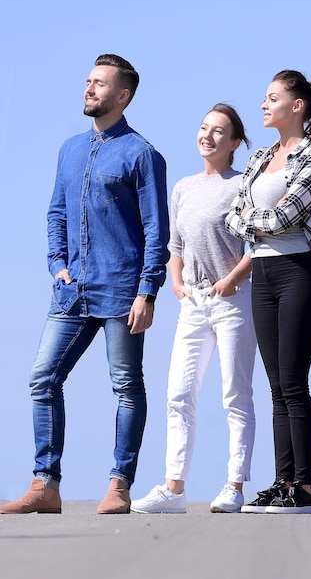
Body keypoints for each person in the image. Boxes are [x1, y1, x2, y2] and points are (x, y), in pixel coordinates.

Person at [0, 54, 170, 515]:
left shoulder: (142, 154)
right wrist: (57, 264)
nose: (89, 89)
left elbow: (157, 231)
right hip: (71, 291)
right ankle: (45, 484)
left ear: (123, 95)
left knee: (126, 386)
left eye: (99, 84)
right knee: (43, 377)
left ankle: (119, 484)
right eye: (88, 81)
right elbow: (56, 212)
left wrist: (147, 291)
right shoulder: (70, 149)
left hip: (122, 291)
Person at [131, 104, 256, 514]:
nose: (208, 136)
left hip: (232, 301)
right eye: (204, 128)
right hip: (193, 302)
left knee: (235, 394)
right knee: (179, 394)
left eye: (219, 131)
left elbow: (258, 244)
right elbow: (175, 245)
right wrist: (179, 282)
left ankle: (234, 485)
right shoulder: (184, 186)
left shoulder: (243, 185)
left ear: (235, 142)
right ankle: (174, 488)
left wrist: (232, 278)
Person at [226, 70, 311, 514]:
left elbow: (288, 217)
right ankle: (282, 480)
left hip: (297, 271)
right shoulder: (258, 156)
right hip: (263, 274)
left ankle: (304, 487)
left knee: (293, 382)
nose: (263, 105)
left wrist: (255, 217)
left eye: (272, 98)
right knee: (274, 386)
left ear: (297, 106)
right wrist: (257, 216)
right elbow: (232, 217)